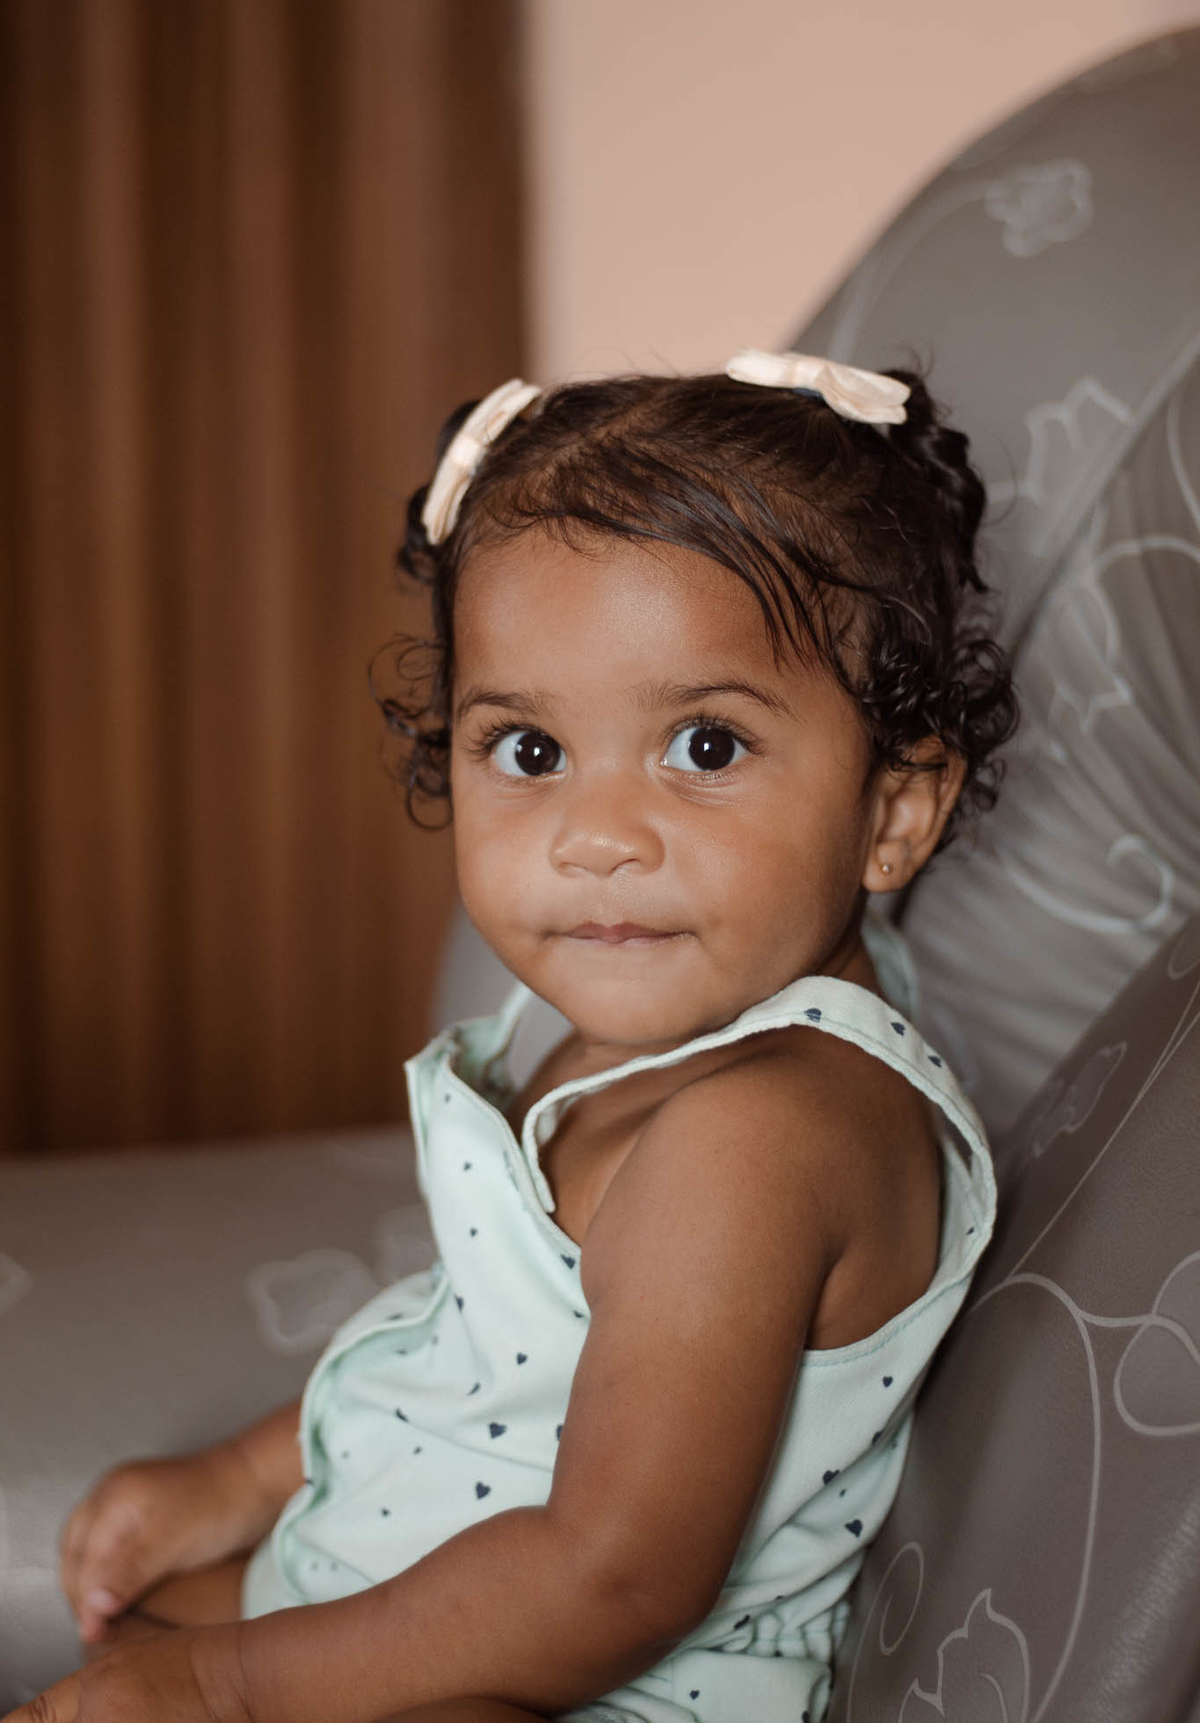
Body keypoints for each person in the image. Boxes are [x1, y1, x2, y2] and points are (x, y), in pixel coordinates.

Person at [17, 350, 1017, 1723]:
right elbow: (483, 1341)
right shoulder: (637, 1042)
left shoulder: (764, 1135)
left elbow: (615, 1583)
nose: (595, 837)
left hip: (589, 1676)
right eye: (530, 752)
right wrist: (246, 1482)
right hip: (435, 1567)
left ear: (893, 811)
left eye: (706, 747)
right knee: (117, 1627)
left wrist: (230, 1683)